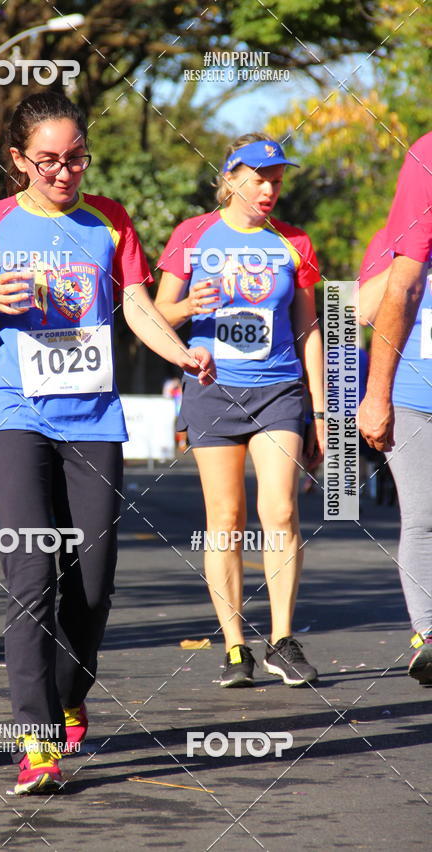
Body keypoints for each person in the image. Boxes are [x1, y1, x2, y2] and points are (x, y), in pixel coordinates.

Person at [0, 91, 214, 795]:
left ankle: (69, 691)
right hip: (15, 414)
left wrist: (179, 353)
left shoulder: (109, 220)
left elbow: (135, 306)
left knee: (91, 586)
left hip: (92, 419)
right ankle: (36, 742)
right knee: (32, 571)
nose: (65, 173)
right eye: (50, 161)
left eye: (76, 159)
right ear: (18, 160)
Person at [155, 133, 324, 688]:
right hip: (212, 390)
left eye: (276, 179)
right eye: (258, 179)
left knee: (280, 513)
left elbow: (309, 329)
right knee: (225, 521)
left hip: (278, 392)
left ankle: (282, 639)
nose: (269, 189)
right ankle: (235, 647)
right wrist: (187, 310)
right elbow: (157, 316)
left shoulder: (293, 242)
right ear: (230, 179)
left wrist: (323, 415)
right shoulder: (192, 235)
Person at [359, 213, 432, 685]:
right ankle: (429, 634)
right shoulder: (393, 237)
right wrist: (411, 257)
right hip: (411, 400)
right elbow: (359, 310)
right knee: (424, 517)